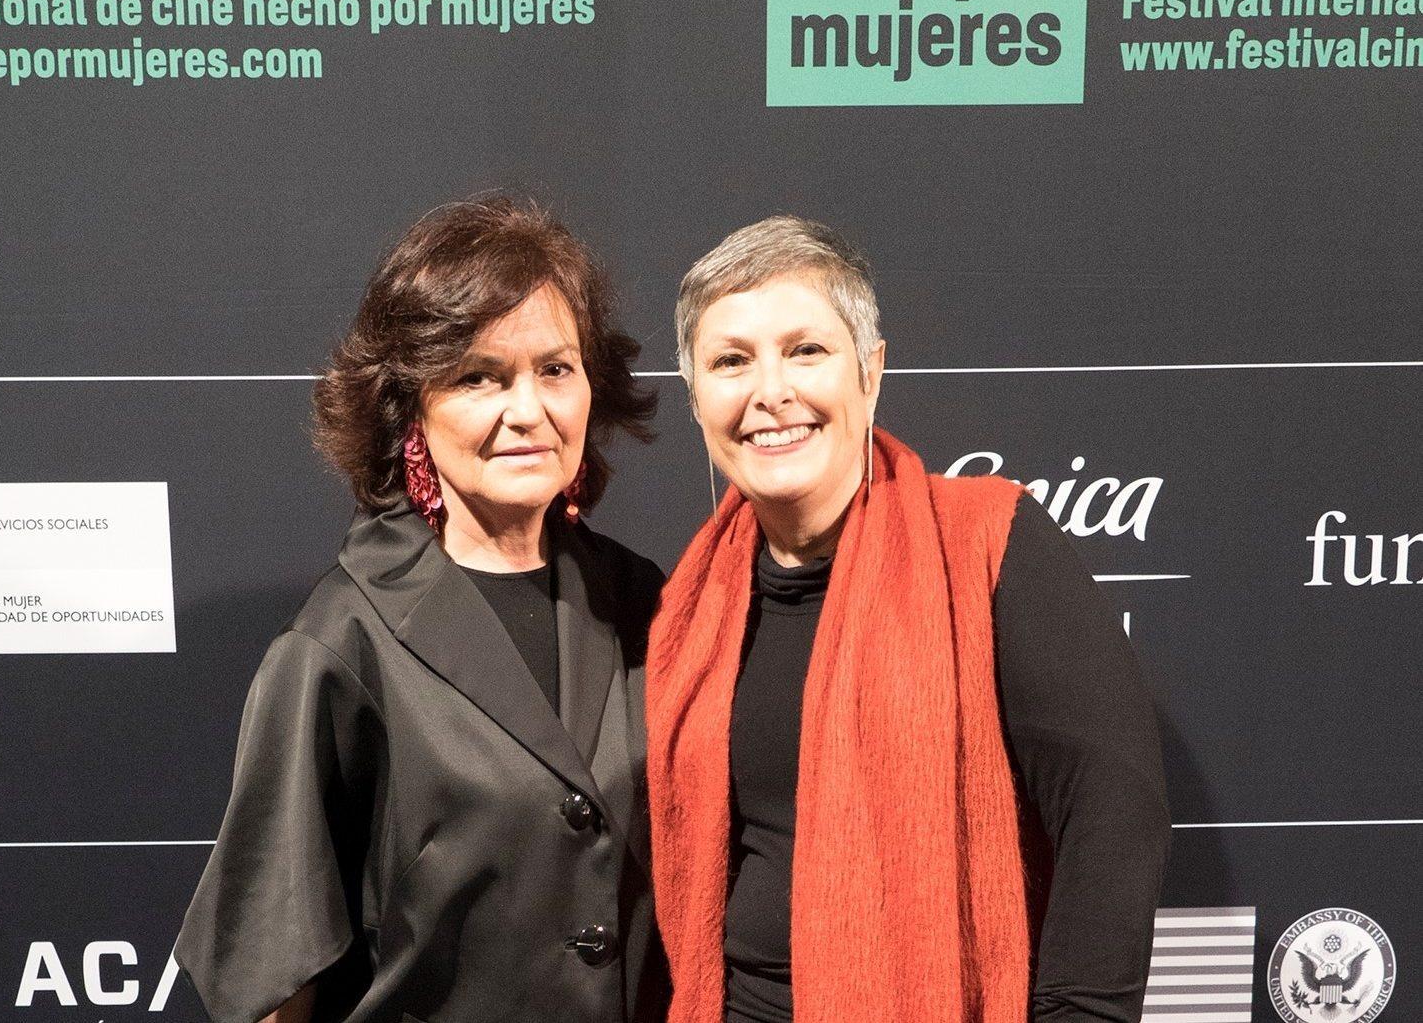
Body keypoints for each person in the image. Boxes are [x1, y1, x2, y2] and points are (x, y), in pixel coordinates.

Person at [646, 216, 1170, 1023]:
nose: (770, 391)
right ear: (695, 398)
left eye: (805, 350)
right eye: (731, 361)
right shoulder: (690, 605)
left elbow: (1113, 807)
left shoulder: (989, 541)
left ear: (872, 372)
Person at [176, 196, 668, 1023]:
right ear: (409, 404)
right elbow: (271, 974)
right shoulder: (341, 640)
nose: (528, 410)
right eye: (479, 376)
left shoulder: (646, 601)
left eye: (555, 369)